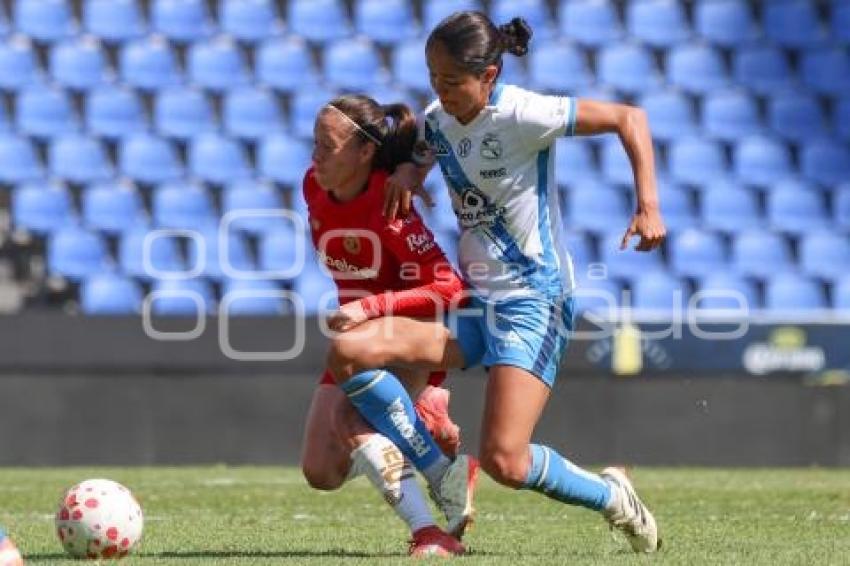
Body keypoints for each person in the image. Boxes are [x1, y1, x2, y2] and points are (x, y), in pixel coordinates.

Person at [326, 11, 666, 553]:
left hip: (532, 302)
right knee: (349, 351)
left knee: (507, 461)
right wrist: (411, 172)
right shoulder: (439, 118)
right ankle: (441, 472)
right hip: (474, 305)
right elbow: (426, 147)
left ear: (489, 75)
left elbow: (631, 118)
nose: (440, 91)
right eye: (433, 78)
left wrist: (648, 206)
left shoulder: (524, 113)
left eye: (451, 81)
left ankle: (611, 494)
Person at [299, 93, 478, 557]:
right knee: (321, 472)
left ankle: (428, 529)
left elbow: (449, 287)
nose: (316, 155)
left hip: (410, 335)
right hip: (359, 343)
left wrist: (370, 307)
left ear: (364, 152)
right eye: (314, 142)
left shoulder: (389, 203)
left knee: (351, 420)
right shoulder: (313, 187)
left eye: (328, 146)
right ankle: (421, 426)